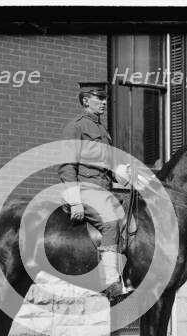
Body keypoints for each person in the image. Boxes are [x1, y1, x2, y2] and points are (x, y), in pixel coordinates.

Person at [58, 82, 134, 299]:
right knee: (110, 222)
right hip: (85, 189)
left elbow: (106, 165)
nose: (103, 102)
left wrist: (125, 172)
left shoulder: (101, 130)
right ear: (85, 101)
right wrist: (75, 201)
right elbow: (66, 165)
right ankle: (110, 281)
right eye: (98, 98)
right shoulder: (76, 127)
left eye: (104, 99)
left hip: (104, 189)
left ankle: (126, 274)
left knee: (130, 218)